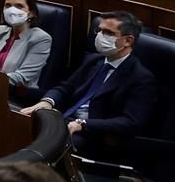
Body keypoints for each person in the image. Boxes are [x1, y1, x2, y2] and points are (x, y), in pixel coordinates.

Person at [21, 12, 158, 156]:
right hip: (64, 121)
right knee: (18, 124)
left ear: (128, 41)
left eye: (108, 33)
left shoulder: (140, 78)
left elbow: (130, 122)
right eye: (99, 30)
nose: (100, 36)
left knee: (39, 145)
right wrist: (47, 102)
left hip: (93, 136)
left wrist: (84, 124)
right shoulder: (94, 61)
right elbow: (65, 88)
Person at [0, 0, 53, 90]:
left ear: (31, 13)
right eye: (7, 6)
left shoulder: (41, 39)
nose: (12, 10)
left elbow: (22, 78)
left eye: (19, 6)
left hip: (17, 94)